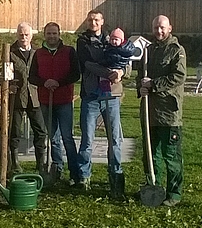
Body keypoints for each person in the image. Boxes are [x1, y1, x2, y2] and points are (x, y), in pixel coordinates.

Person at [136, 15, 186, 207]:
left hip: (169, 113)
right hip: (149, 112)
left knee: (171, 156)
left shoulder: (176, 51)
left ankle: (174, 193)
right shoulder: (148, 51)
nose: (159, 31)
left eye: (162, 27)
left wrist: (153, 85)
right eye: (156, 27)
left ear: (170, 28)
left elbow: (178, 76)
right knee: (150, 154)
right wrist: (140, 87)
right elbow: (141, 75)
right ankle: (153, 187)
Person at [76, 10, 125, 190]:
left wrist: (121, 72)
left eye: (96, 20)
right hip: (91, 96)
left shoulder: (112, 38)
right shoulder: (82, 41)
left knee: (114, 140)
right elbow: (88, 64)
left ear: (102, 21)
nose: (93, 23)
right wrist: (110, 73)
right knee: (87, 139)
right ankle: (84, 177)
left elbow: (124, 59)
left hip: (111, 96)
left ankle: (116, 176)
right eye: (90, 20)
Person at [29, 22, 80, 184]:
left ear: (60, 34)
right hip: (45, 100)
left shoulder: (69, 52)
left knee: (67, 137)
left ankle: (74, 172)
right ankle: (57, 168)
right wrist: (45, 83)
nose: (52, 36)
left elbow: (75, 74)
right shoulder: (38, 54)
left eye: (54, 33)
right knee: (53, 138)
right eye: (49, 34)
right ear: (45, 35)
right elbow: (32, 76)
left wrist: (58, 82)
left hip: (64, 100)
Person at [8, 22, 48, 174]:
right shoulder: (10, 52)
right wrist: (8, 84)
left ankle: (41, 164)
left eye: (26, 35)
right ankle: (15, 163)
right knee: (14, 132)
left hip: (35, 97)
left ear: (31, 36)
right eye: (20, 35)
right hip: (17, 98)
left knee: (40, 131)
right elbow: (3, 74)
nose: (23, 37)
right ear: (17, 35)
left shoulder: (38, 53)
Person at [96, 27, 135, 96]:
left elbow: (113, 58)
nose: (114, 41)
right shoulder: (112, 47)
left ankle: (108, 91)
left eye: (116, 39)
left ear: (121, 41)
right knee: (105, 78)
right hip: (114, 65)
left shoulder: (120, 50)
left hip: (117, 66)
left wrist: (103, 62)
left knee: (111, 75)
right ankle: (106, 91)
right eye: (112, 39)